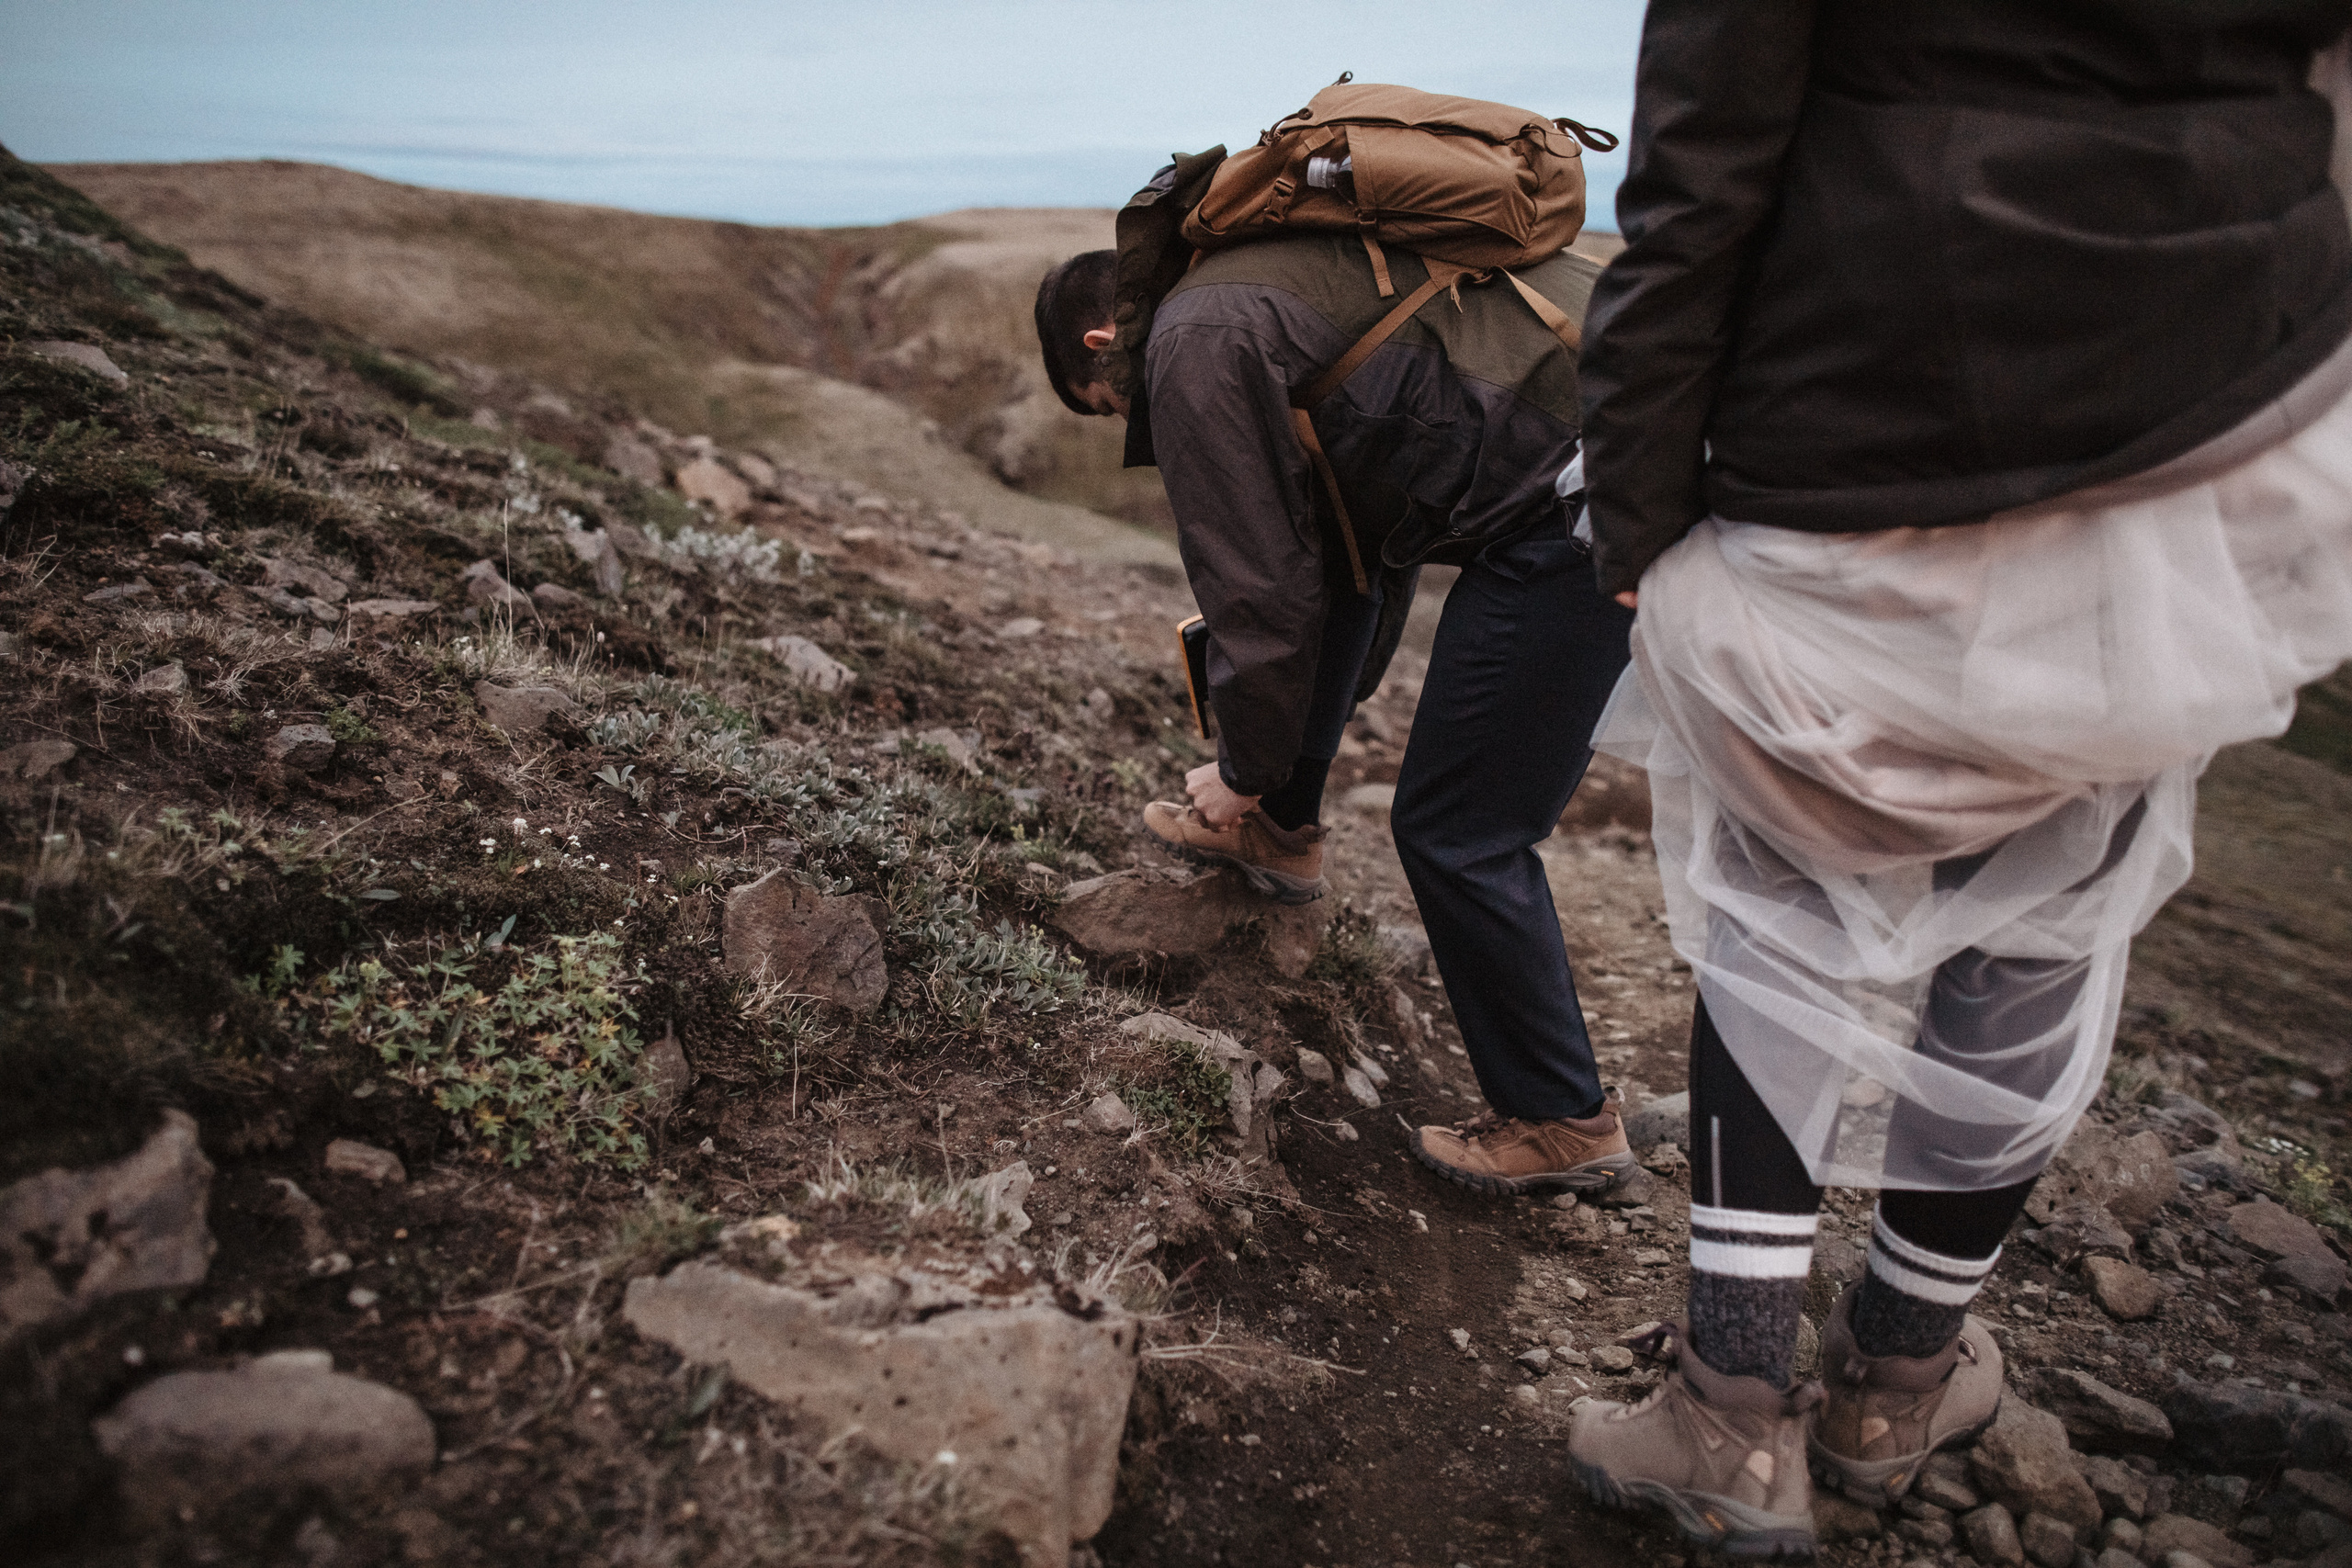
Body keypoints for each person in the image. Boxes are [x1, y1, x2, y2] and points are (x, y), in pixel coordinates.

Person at [1563, 1, 2352, 1555]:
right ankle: (1899, 1382)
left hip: (1864, 418)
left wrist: (1635, 511)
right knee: (2052, 904)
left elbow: (1698, 181)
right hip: (2202, 436)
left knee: (1785, 897)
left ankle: (1730, 1410)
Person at [1035, 222, 1643, 1197]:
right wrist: (1272, 794)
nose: (1132, 431)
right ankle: (1284, 836)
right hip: (1609, 451)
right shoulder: (1268, 291)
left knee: (1459, 830)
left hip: (1589, 494)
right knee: (1455, 819)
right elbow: (1358, 561)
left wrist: (1237, 775)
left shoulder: (1191, 343)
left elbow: (1260, 594)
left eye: (1110, 412)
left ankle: (1560, 1121)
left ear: (1103, 345)